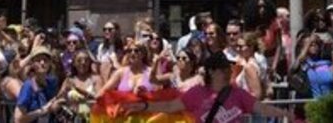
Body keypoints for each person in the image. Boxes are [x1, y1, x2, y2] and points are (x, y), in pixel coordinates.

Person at [123, 54, 293, 120]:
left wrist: (284, 114)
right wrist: (145, 106)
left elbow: (261, 108)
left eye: (229, 69)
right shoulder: (196, 93)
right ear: (211, 72)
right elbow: (169, 106)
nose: (228, 73)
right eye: (223, 69)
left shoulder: (238, 94)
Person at [14, 48, 60, 123]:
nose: (42, 63)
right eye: (38, 60)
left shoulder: (52, 82)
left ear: (50, 63)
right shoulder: (28, 86)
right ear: (32, 64)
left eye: (45, 60)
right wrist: (43, 111)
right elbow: (18, 119)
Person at [293, 32, 333, 99]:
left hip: (328, 103)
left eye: (316, 43)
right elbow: (296, 66)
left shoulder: (326, 63)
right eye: (310, 44)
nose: (314, 45)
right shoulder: (302, 64)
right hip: (309, 104)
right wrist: (309, 42)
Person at [56, 51, 99, 122]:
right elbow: (58, 99)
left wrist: (78, 90)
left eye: (86, 60)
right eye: (79, 60)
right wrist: (64, 92)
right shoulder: (69, 80)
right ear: (74, 63)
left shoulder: (96, 79)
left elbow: (100, 99)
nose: (83, 63)